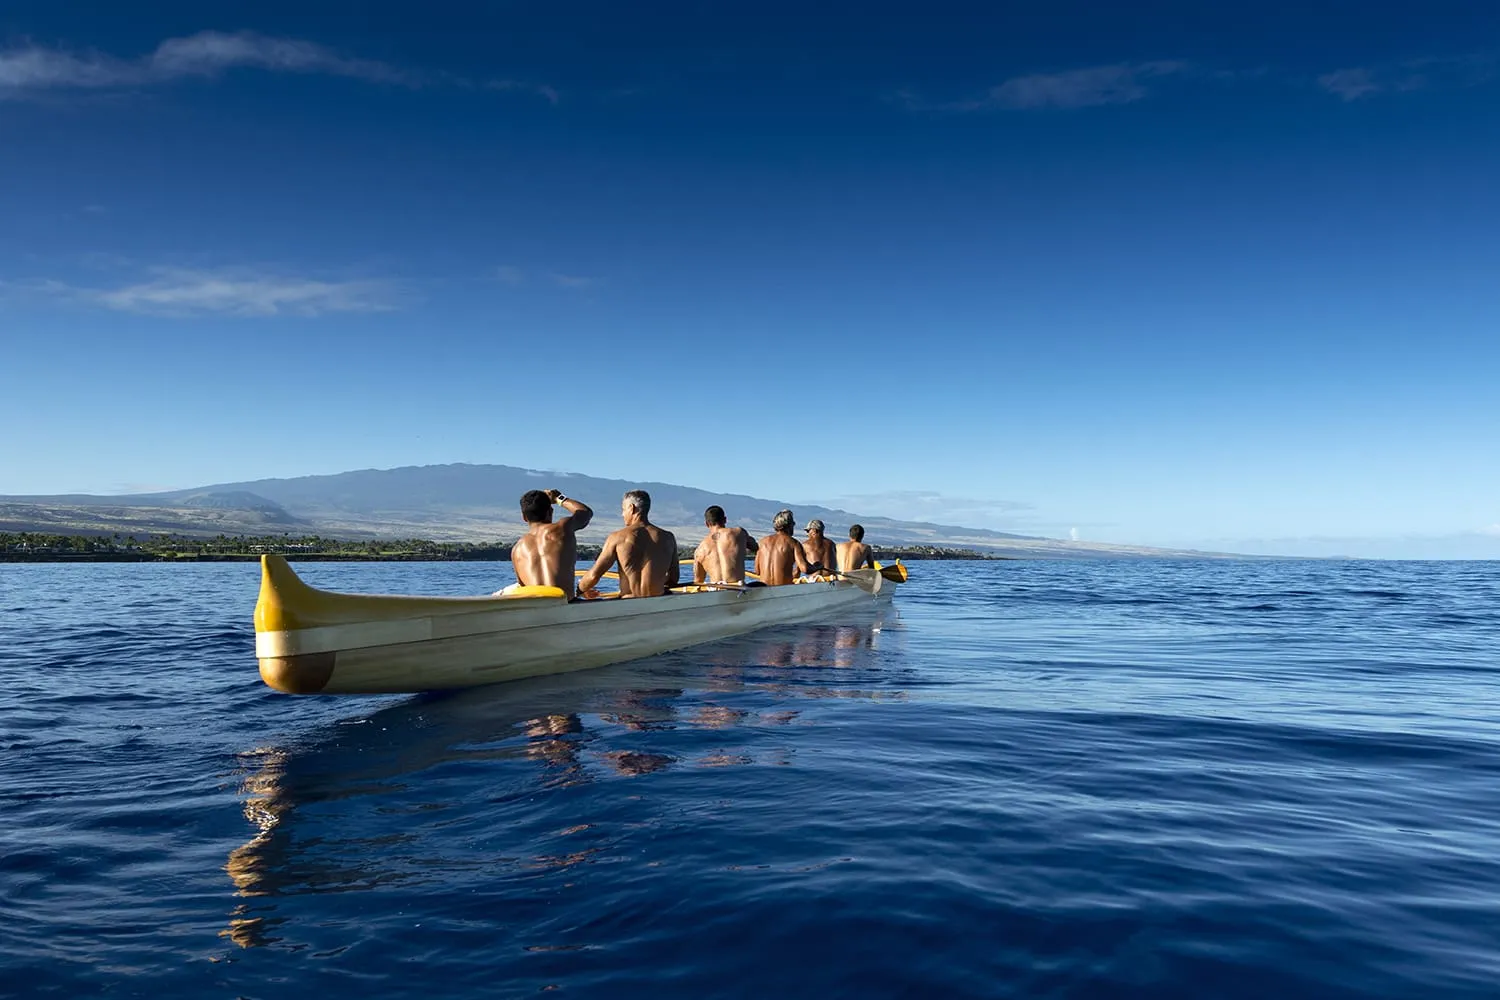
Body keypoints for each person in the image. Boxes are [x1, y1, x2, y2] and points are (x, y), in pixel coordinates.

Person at [576, 490, 679, 598]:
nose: (622, 514)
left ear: (631, 508)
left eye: (623, 509)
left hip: (628, 604)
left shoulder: (617, 538)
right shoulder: (668, 538)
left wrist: (579, 590)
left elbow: (593, 576)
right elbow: (673, 579)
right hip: (657, 604)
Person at [507, 488, 593, 591]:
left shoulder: (516, 550)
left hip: (536, 604)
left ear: (524, 517)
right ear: (550, 511)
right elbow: (585, 513)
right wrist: (559, 498)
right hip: (564, 602)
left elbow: (523, 587)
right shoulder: (562, 528)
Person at [692, 505, 759, 584]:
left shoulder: (700, 550)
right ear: (725, 520)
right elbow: (757, 548)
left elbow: (698, 582)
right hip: (738, 589)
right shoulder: (738, 533)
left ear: (706, 524)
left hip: (715, 591)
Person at [755, 509, 810, 586]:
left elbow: (757, 571)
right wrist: (817, 567)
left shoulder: (762, 542)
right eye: (793, 524)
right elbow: (805, 569)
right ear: (789, 525)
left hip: (764, 589)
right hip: (783, 589)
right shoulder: (794, 543)